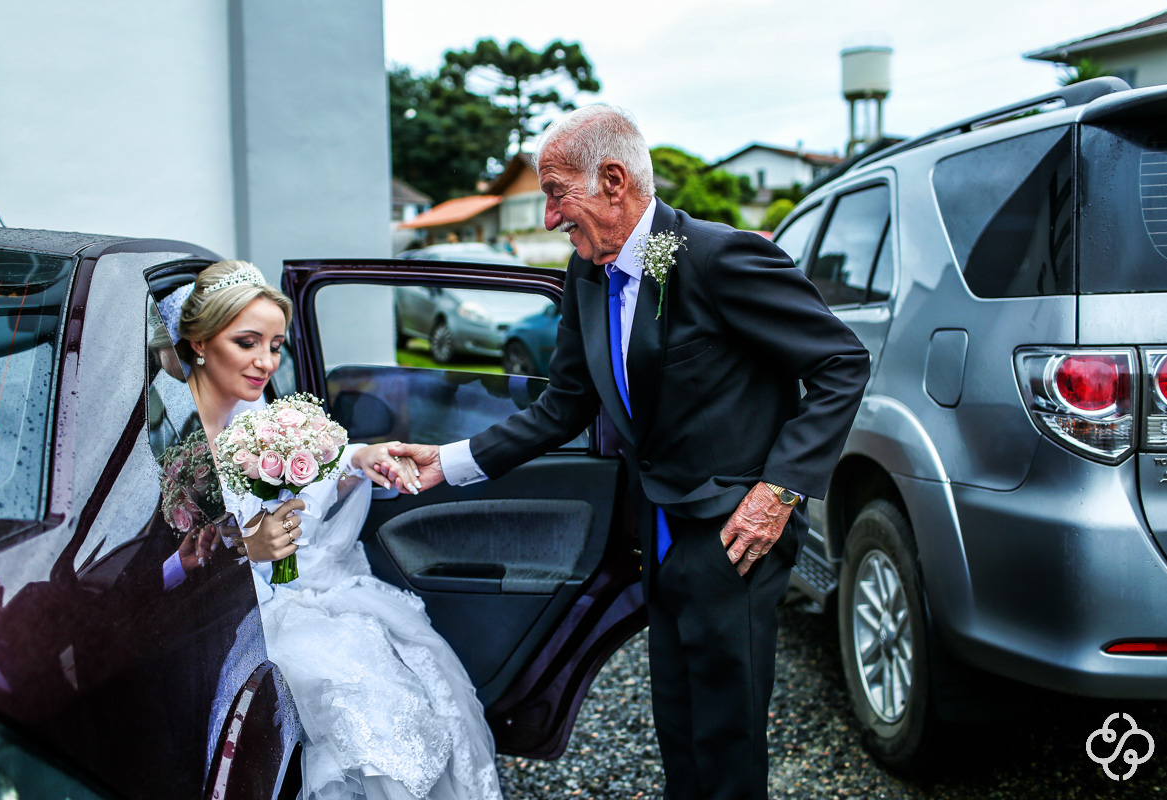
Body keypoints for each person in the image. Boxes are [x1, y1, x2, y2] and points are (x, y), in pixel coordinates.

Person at [381, 106, 871, 800]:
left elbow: (840, 364)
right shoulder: (585, 276)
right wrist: (451, 461)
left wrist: (777, 492)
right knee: (676, 720)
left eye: (555, 192)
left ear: (613, 180)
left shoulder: (722, 257)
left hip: (737, 539)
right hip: (658, 538)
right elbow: (564, 405)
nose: (550, 217)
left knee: (729, 737)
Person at [165, 261, 502, 800]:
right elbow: (152, 570)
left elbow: (309, 470)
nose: (265, 363)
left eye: (276, 346)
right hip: (230, 625)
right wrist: (243, 548)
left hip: (294, 592)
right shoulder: (172, 443)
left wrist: (358, 457)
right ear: (200, 342)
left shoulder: (260, 416)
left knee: (407, 680)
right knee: (350, 694)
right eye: (247, 342)